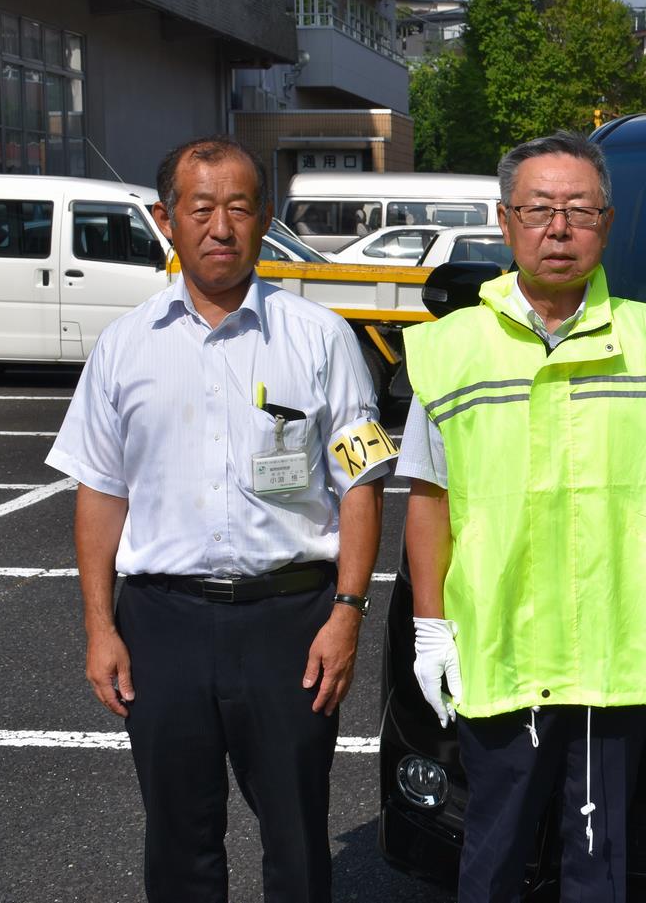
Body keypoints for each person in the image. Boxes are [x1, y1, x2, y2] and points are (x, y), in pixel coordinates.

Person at [46, 136, 396, 903]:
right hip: (161, 622)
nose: (221, 226)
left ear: (264, 218)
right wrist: (100, 625)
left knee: (299, 833)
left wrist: (347, 614)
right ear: (164, 218)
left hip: (292, 621)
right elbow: (100, 491)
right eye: (200, 208)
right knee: (178, 835)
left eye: (239, 207)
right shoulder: (123, 346)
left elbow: (362, 484)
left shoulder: (321, 338)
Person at [398, 130, 646, 903]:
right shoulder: (452, 349)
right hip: (497, 644)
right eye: (539, 209)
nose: (559, 227)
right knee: (492, 849)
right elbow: (428, 498)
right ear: (505, 222)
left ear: (606, 223)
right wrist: (431, 626)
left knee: (599, 858)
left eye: (578, 209)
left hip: (613, 652)